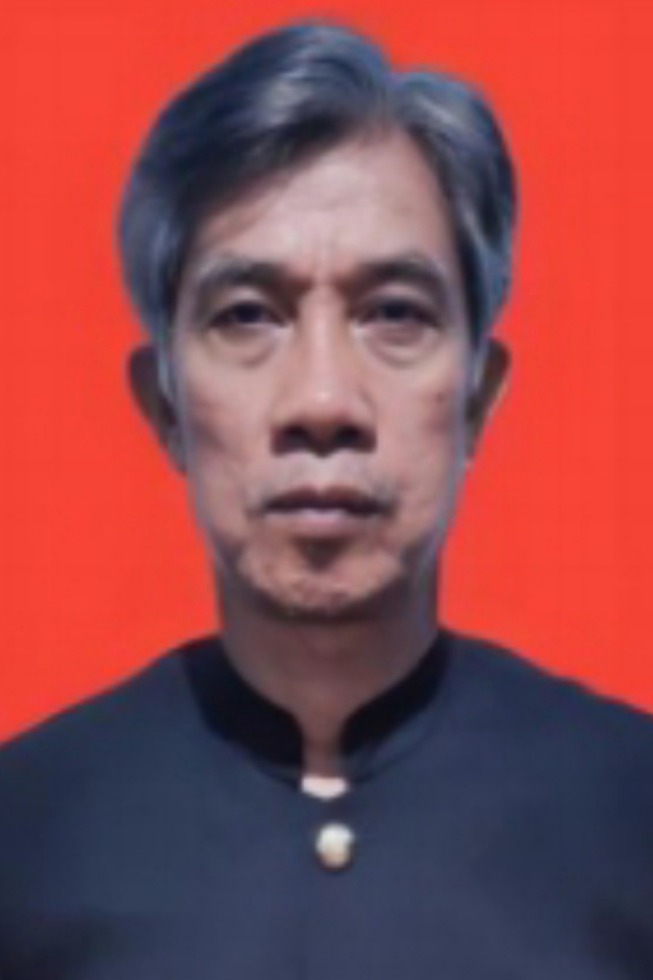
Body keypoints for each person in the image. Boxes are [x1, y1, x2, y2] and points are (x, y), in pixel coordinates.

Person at [1, 19, 652, 980]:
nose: (321, 402)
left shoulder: (629, 811)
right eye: (247, 316)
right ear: (164, 406)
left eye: (393, 313)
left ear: (476, 397)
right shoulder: (27, 835)